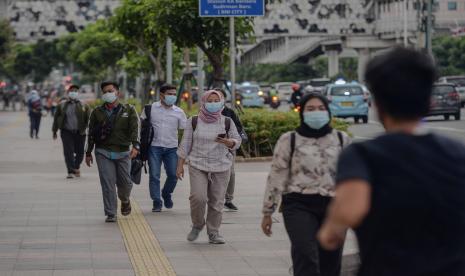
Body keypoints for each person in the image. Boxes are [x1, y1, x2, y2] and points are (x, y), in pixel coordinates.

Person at [318, 47, 465, 276]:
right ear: (428, 99)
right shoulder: (458, 153)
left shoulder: (363, 155)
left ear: (377, 103)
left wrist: (330, 231)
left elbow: (349, 211)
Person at [261, 93, 351, 276]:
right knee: (305, 254)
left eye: (321, 108)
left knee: (331, 260)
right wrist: (267, 212)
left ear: (328, 112)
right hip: (298, 204)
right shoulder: (289, 139)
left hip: (334, 207)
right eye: (310, 109)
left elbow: (352, 176)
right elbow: (277, 175)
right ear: (302, 113)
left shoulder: (342, 139)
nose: (316, 112)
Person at [177, 90, 241, 244]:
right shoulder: (193, 121)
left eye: (216, 100)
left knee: (217, 201)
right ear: (204, 102)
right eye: (209, 100)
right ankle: (198, 224)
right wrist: (179, 165)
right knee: (198, 197)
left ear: (221, 102)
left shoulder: (227, 121)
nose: (213, 103)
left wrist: (229, 142)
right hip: (198, 164)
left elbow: (237, 140)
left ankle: (213, 232)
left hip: (221, 165)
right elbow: (185, 144)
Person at [85, 81, 140, 223]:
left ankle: (125, 200)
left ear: (117, 92)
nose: (107, 94)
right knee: (107, 183)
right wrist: (88, 152)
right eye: (104, 92)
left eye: (110, 91)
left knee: (125, 183)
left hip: (123, 152)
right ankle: (111, 213)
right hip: (103, 152)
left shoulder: (129, 109)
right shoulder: (97, 112)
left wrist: (136, 146)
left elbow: (135, 129)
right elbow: (91, 132)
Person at [140, 84, 187, 212]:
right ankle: (156, 201)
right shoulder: (150, 109)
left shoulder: (179, 112)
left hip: (172, 148)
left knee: (173, 175)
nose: (172, 96)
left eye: (174, 94)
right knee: (154, 175)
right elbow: (141, 126)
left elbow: (186, 132)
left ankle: (166, 193)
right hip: (154, 147)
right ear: (161, 95)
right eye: (169, 94)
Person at [214, 88, 245, 211]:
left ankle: (228, 199)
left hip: (228, 146)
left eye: (219, 98)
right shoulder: (204, 113)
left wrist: (229, 139)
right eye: (213, 98)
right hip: (210, 147)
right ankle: (213, 198)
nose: (215, 101)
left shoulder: (230, 112)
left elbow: (238, 128)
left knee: (230, 173)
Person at [52, 85, 91, 179]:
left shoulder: (84, 105)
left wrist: (91, 130)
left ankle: (76, 167)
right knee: (68, 152)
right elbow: (56, 118)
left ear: (78, 93)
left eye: (75, 91)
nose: (73, 92)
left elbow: (89, 119)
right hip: (66, 132)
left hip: (80, 132)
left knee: (80, 152)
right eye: (71, 91)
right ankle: (70, 171)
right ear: (68, 93)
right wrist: (54, 130)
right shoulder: (62, 105)